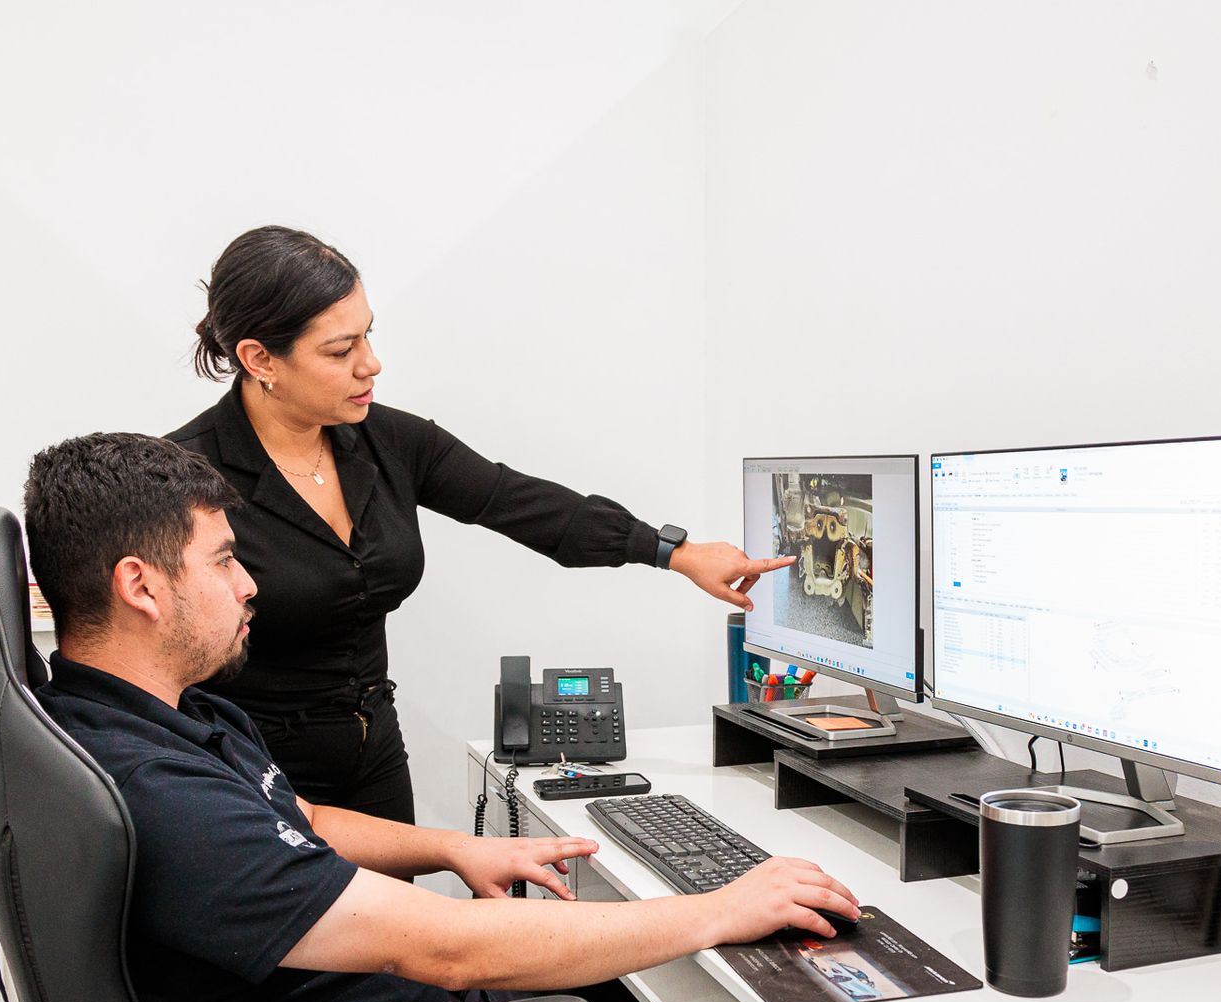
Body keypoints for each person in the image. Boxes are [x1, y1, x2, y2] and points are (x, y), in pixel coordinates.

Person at [22, 432, 859, 1002]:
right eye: (225, 560)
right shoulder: (157, 793)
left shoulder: (153, 720)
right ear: (141, 586)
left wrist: (456, 849)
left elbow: (301, 816)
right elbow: (440, 946)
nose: (249, 583)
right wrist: (718, 909)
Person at [167, 225, 792, 823]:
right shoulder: (185, 477)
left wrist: (673, 553)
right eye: (341, 350)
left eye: (368, 337)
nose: (372, 364)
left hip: (373, 751)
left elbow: (518, 502)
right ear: (259, 358)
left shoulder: (389, 442)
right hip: (249, 766)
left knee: (397, 932)